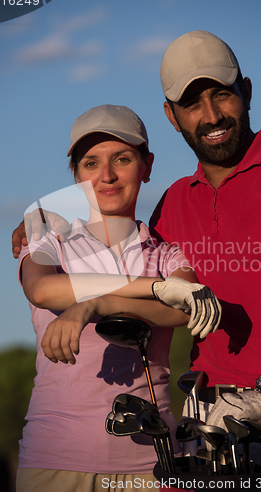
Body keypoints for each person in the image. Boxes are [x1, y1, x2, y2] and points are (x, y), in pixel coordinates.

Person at [15, 104, 221, 492]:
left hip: (151, 463)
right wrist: (153, 287)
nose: (106, 176)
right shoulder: (47, 240)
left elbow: (183, 309)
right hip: (53, 460)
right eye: (90, 163)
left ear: (147, 165)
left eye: (122, 159)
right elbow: (42, 289)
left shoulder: (165, 253)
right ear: (75, 175)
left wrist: (95, 305)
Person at [149, 31, 261, 483]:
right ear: (171, 116)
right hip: (209, 424)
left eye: (222, 94)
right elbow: (124, 273)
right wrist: (49, 227)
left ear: (248, 91)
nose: (212, 115)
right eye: (192, 103)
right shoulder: (172, 202)